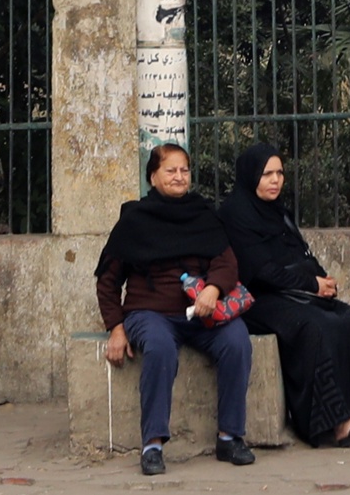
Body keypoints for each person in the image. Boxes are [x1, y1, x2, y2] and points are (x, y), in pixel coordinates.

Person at [96, 142, 254, 476]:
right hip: (149, 313)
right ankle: (152, 443)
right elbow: (108, 281)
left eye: (184, 170)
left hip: (203, 313)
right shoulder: (134, 220)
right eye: (171, 170)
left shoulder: (203, 215)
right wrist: (116, 328)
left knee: (237, 340)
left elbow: (227, 264)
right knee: (160, 348)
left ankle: (230, 436)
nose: (179, 177)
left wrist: (212, 288)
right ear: (153, 176)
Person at [218, 143, 350, 447]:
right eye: (267, 174)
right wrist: (311, 285)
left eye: (279, 173)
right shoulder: (235, 214)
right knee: (315, 328)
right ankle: (335, 424)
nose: (275, 180)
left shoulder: (278, 212)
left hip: (294, 292)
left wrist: (323, 280)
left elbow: (301, 251)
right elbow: (261, 271)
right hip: (259, 299)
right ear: (251, 176)